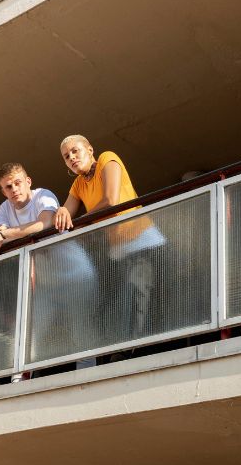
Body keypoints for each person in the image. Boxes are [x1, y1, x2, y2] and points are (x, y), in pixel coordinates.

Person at [54, 134, 164, 343]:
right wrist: (60, 212)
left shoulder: (107, 158)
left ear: (90, 150)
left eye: (75, 151)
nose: (72, 158)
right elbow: (64, 219)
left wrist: (80, 222)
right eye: (67, 157)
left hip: (144, 243)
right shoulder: (78, 184)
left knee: (141, 304)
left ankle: (135, 353)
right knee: (120, 306)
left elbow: (111, 200)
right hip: (120, 252)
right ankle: (122, 352)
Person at [0, 163, 58, 258]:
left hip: (71, 261)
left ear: (28, 182)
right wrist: (1, 236)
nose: (14, 189)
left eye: (17, 183)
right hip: (41, 268)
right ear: (4, 192)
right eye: (9, 187)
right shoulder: (5, 207)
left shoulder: (43, 194)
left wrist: (4, 234)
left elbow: (44, 223)